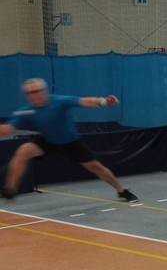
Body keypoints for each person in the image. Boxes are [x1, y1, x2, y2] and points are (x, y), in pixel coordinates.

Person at [0, 78, 138, 202]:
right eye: (29, 93)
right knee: (23, 151)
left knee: (96, 167)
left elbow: (84, 101)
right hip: (47, 140)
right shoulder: (26, 111)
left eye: (36, 91)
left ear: (44, 91)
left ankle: (121, 190)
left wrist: (104, 101)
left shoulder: (59, 101)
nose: (33, 95)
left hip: (70, 142)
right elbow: (8, 129)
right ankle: (10, 190)